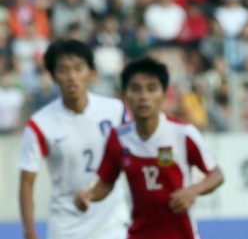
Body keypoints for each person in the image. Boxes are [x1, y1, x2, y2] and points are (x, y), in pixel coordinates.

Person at [74, 57, 224, 239]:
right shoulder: (118, 138)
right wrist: (89, 195)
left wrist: (193, 191)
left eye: (151, 89)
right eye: (135, 89)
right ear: (125, 95)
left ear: (163, 94)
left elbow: (216, 175)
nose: (143, 96)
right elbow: (106, 182)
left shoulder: (183, 134)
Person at [18, 40, 130, 239]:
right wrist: (29, 232)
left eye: (78, 68)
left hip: (112, 224)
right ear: (53, 77)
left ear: (91, 73)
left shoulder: (115, 111)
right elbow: (27, 183)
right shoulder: (40, 123)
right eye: (63, 70)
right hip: (66, 227)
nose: (72, 77)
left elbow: (134, 156)